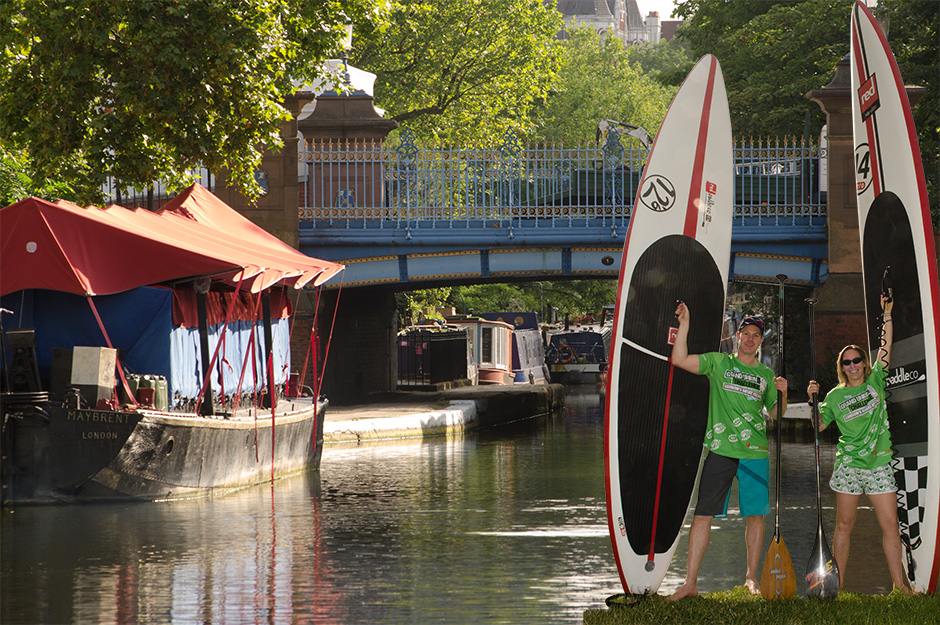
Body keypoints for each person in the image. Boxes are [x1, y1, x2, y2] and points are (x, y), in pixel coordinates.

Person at [668, 303, 788, 600]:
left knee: (756, 516)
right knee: (702, 515)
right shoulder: (719, 363)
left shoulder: (766, 375)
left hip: (755, 453)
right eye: (745, 334)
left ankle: (750, 578)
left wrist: (784, 393)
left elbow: (776, 413)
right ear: (738, 338)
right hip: (721, 451)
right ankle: (690, 583)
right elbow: (680, 360)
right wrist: (685, 322)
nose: (749, 339)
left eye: (755, 336)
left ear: (761, 341)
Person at [806, 295, 912, 594]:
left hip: (879, 464)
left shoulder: (876, 379)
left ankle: (899, 585)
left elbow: (886, 346)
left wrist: (887, 314)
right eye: (846, 362)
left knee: (890, 526)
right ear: (842, 367)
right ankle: (836, 585)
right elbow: (820, 424)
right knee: (843, 527)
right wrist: (813, 399)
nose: (852, 365)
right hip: (849, 465)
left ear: (865, 363)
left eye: (856, 360)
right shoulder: (834, 396)